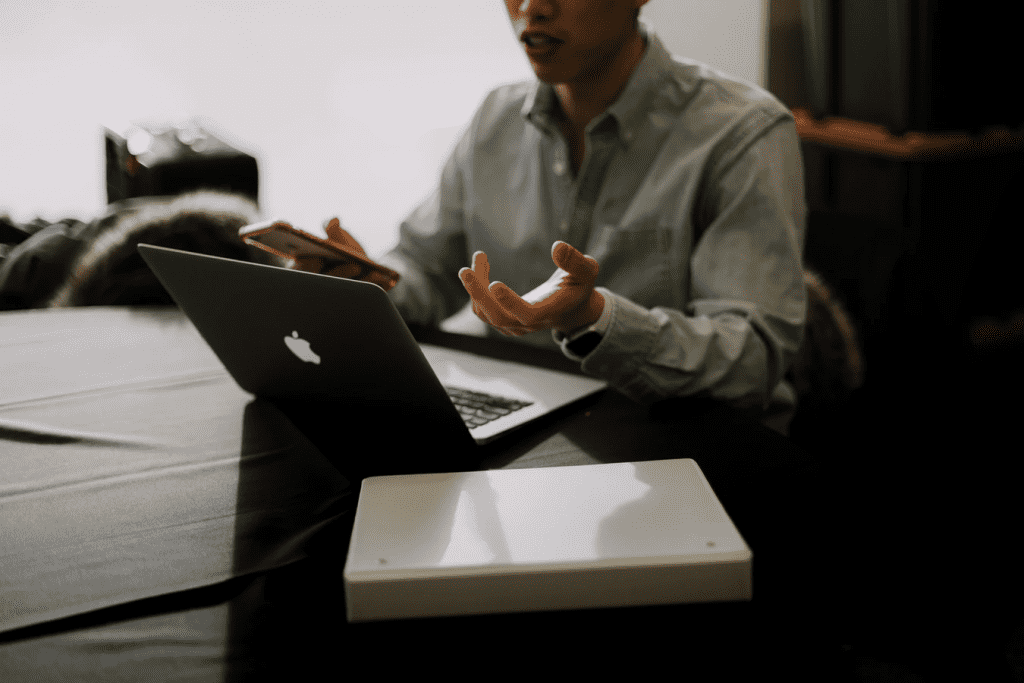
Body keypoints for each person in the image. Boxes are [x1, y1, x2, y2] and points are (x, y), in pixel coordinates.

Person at [301, 0, 807, 431]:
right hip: (529, 419)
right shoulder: (495, 118)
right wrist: (369, 282)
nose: (531, 8)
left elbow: (751, 362)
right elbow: (427, 265)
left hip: (685, 440)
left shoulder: (742, 133)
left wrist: (596, 318)